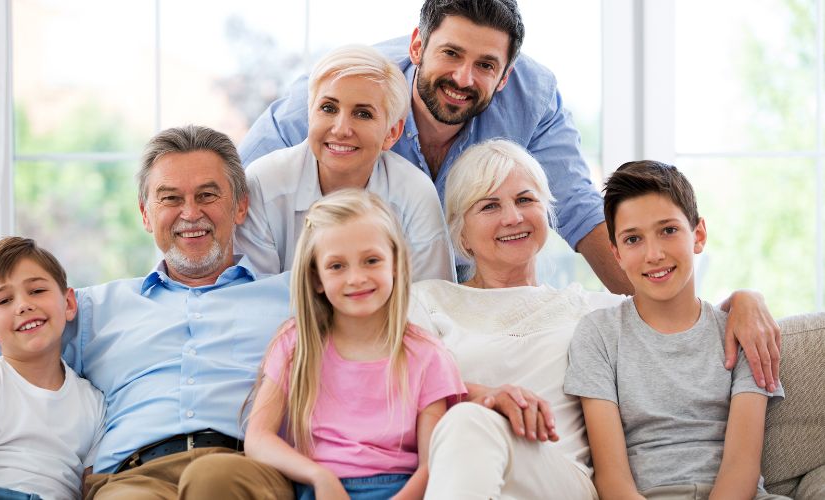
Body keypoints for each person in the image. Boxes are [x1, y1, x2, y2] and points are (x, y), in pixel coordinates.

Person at [0, 125, 295, 500]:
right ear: (146, 214)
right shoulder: (92, 309)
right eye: (170, 198)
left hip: (241, 468)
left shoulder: (290, 296)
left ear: (241, 206)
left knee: (214, 479)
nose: (190, 212)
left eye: (207, 195)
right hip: (133, 478)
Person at [407, 140, 783, 499]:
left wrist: (747, 299)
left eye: (526, 200)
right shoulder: (428, 301)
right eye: (489, 206)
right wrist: (485, 395)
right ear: (461, 232)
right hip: (464, 460)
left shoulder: (591, 311)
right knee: (469, 422)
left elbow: (671, 307)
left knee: (470, 422)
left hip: (557, 478)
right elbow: (394, 384)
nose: (513, 217)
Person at [239, 0, 632, 294]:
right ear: (417, 47)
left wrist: (649, 315)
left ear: (506, 75)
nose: (463, 78)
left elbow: (579, 208)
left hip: (470, 280)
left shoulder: (535, 98)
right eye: (451, 53)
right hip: (342, 277)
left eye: (485, 65)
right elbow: (238, 190)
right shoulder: (350, 89)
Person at [563, 161, 786, 500]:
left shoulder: (741, 331)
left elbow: (742, 468)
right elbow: (612, 480)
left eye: (668, 230)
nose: (654, 254)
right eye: (633, 239)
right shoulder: (599, 335)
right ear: (617, 254)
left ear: (698, 235)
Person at [244, 189, 465, 500]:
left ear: (395, 264)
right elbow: (257, 438)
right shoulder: (295, 344)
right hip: (316, 488)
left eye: (371, 260)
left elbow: (431, 466)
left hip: (399, 490)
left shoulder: (427, 355)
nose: (356, 278)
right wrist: (319, 477)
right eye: (337, 266)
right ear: (317, 278)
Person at [234, 45, 454, 282]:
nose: (340, 130)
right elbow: (255, 299)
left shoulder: (415, 193)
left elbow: (432, 302)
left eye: (363, 114)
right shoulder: (264, 182)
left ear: (392, 132)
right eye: (328, 108)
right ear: (310, 114)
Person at [0, 237, 105, 500]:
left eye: (37, 291)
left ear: (69, 304)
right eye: (4, 300)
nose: (23, 305)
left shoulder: (94, 402)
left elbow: (91, 488)